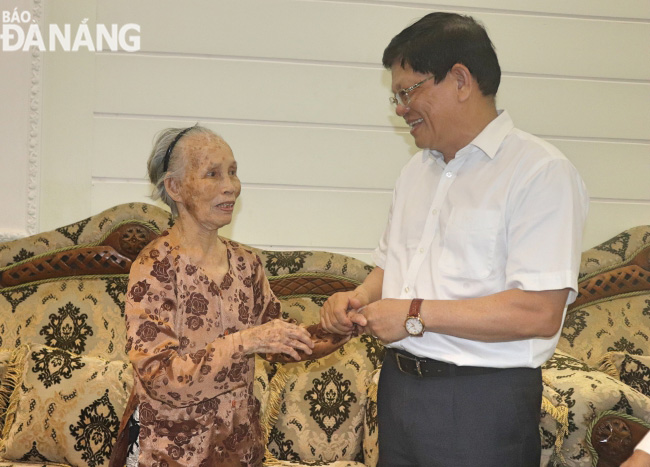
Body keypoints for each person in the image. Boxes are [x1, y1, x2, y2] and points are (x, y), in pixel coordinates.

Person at [320, 12, 589, 467]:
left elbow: (538, 312)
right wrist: (358, 296)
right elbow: (393, 268)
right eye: (395, 98)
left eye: (408, 92)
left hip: (480, 401)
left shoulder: (539, 172)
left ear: (460, 80)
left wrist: (412, 317)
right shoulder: (416, 171)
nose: (401, 109)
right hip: (399, 389)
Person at [116, 125, 314, 467]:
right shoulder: (155, 266)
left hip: (240, 454)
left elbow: (282, 343)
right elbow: (161, 378)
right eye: (213, 174)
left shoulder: (247, 264)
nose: (231, 186)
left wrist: (346, 325)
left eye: (233, 172)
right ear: (175, 187)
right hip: (170, 457)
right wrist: (247, 341)